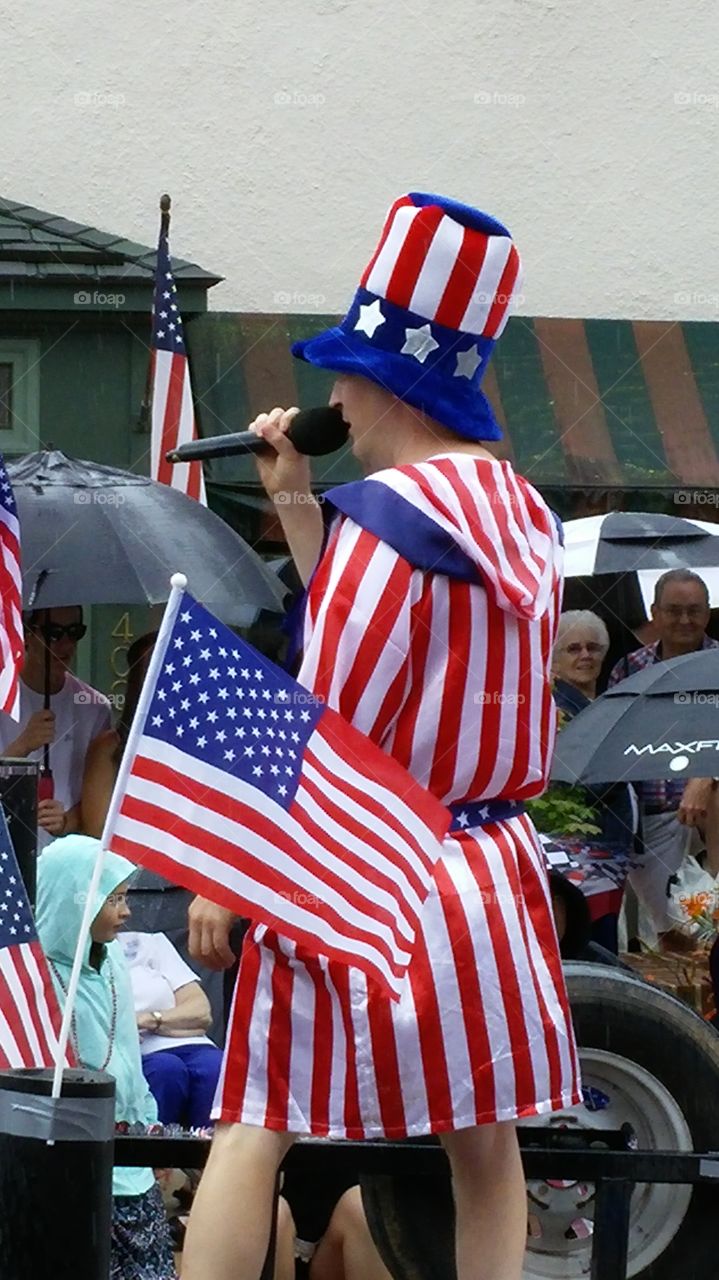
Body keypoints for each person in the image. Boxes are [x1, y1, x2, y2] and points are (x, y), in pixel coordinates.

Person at [182, 192, 580, 1280]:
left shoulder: (384, 524)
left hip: (372, 864)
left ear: (385, 379)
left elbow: (328, 725)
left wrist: (228, 873)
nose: (334, 396)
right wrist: (305, 513)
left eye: (345, 371)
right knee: (483, 1139)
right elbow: (420, 654)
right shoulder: (520, 517)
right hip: (487, 869)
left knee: (255, 1116)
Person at [35, 836, 176, 1280]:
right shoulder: (32, 977)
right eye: (112, 898)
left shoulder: (113, 960)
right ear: (76, 901)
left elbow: (129, 1060)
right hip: (73, 1170)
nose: (126, 911)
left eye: (124, 897)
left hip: (132, 1162)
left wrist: (150, 1127)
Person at [81, 630, 226, 1046]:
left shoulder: (211, 749)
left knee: (200, 1025)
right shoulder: (111, 749)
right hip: (131, 898)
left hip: (193, 899)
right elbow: (98, 835)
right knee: (132, 1022)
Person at [608, 569, 719, 941]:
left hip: (711, 813)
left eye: (694, 610)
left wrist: (706, 777)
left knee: (712, 929)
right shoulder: (629, 670)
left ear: (708, 613)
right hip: (653, 817)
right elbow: (615, 743)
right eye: (674, 610)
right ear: (655, 612)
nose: (685, 620)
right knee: (676, 937)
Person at [547, 610, 638, 952]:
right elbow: (578, 780)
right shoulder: (556, 709)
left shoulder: (598, 705)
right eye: (573, 648)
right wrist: (630, 758)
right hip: (581, 858)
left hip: (609, 856)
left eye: (593, 647)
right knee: (593, 947)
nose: (585, 655)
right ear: (554, 659)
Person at [0, 606, 111, 847]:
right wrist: (21, 746)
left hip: (64, 862)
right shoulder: (3, 695)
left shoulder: (94, 707)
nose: (65, 643)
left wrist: (65, 822)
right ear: (27, 633)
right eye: (53, 632)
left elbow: (98, 794)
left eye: (75, 632)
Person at [118, 929, 223, 1128]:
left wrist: (148, 1020)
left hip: (194, 1045)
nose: (125, 911)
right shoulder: (74, 956)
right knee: (167, 1070)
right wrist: (177, 1022)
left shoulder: (149, 943)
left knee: (216, 1067)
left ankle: (212, 1155)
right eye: (113, 902)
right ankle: (153, 1155)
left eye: (122, 899)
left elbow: (201, 1013)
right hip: (136, 1052)